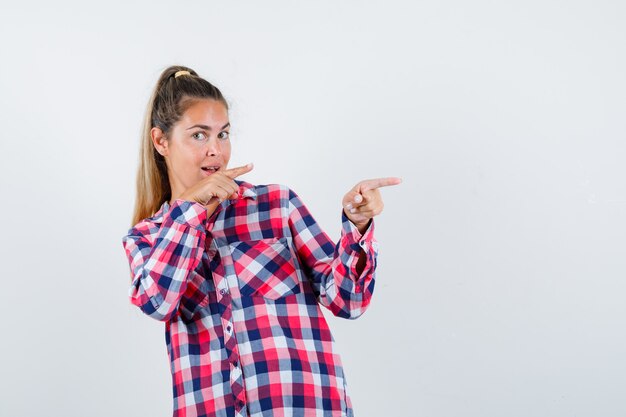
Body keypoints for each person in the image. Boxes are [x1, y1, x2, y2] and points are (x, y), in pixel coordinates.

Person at [122, 65, 401, 417]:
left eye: (223, 134)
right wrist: (191, 210)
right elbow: (158, 303)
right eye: (198, 135)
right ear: (161, 141)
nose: (215, 151)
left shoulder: (276, 206)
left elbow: (349, 301)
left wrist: (357, 226)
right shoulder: (147, 238)